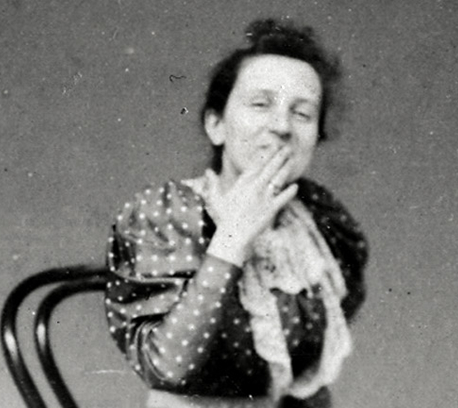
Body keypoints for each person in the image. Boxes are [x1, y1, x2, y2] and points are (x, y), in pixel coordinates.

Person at [104, 18, 368, 408]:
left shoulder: (318, 223)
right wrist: (231, 242)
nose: (282, 126)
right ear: (216, 125)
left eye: (302, 114)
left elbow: (308, 377)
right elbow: (168, 368)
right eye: (261, 104)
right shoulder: (170, 215)